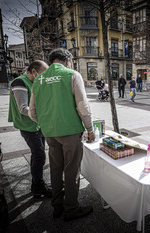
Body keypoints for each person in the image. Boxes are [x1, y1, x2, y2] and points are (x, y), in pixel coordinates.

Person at [29, 48, 95, 221]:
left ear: (52, 61)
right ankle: (71, 208)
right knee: (72, 170)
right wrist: (90, 129)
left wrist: (47, 123)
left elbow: (32, 113)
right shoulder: (72, 75)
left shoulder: (38, 79)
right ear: (67, 60)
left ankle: (57, 205)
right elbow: (83, 106)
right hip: (70, 131)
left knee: (56, 168)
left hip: (50, 132)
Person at [8, 60, 51, 198]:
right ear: (34, 71)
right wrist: (42, 116)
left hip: (37, 124)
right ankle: (38, 187)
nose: (44, 77)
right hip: (28, 126)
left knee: (37, 155)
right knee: (39, 156)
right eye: (43, 74)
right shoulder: (19, 82)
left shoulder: (35, 82)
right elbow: (22, 108)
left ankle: (36, 185)